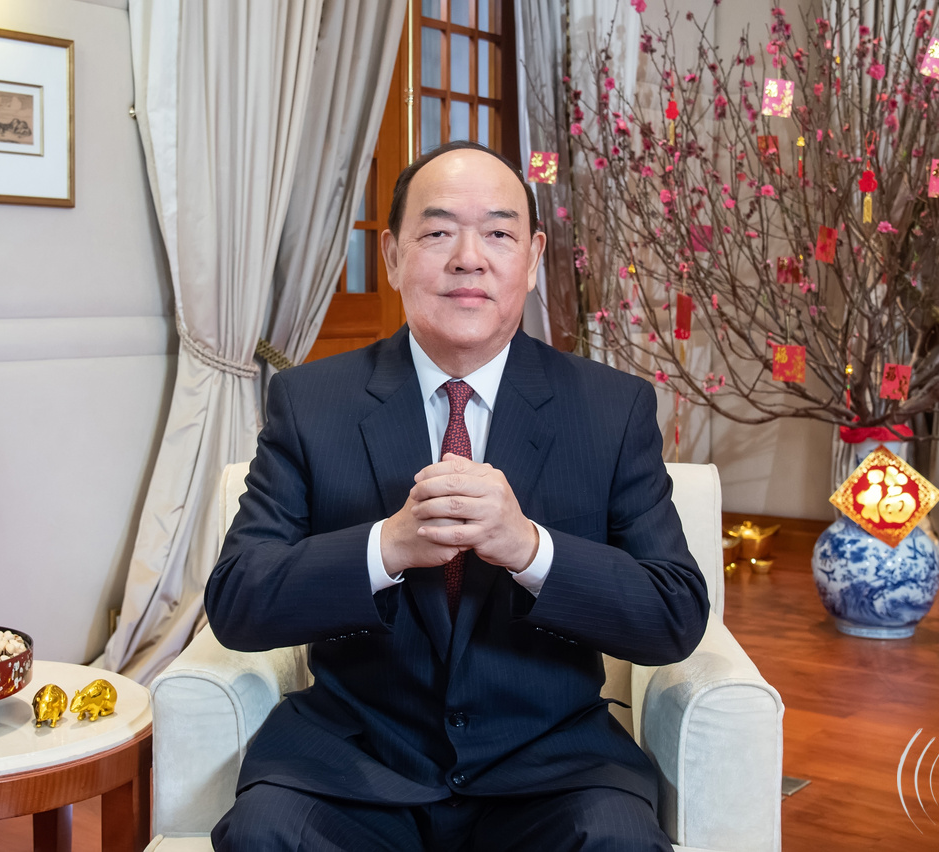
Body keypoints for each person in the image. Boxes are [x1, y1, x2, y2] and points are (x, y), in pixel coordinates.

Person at [205, 140, 709, 851]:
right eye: (438, 232)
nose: (469, 259)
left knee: (617, 842)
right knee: (264, 836)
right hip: (353, 764)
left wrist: (530, 550)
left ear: (532, 258)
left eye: (498, 234)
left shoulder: (611, 408)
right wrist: (387, 548)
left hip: (551, 768)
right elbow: (237, 601)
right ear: (392, 256)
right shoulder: (311, 402)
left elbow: (673, 614)